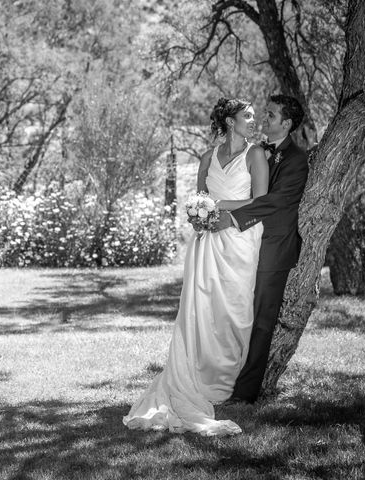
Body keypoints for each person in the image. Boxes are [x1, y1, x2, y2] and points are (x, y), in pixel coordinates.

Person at [122, 98, 268, 436]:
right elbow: (197, 198)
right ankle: (197, 374)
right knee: (202, 308)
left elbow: (261, 201)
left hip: (240, 240)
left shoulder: (255, 154)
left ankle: (229, 379)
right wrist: (200, 213)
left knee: (234, 308)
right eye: (246, 116)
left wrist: (218, 208)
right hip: (206, 242)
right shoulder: (207, 157)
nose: (252, 120)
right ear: (230, 121)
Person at [217, 94, 308, 405]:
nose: (265, 119)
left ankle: (245, 392)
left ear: (287, 123)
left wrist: (231, 217)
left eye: (271, 115)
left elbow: (276, 201)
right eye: (265, 114)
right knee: (235, 313)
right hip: (245, 245)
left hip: (273, 248)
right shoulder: (256, 153)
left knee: (261, 319)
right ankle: (223, 377)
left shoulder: (296, 159)